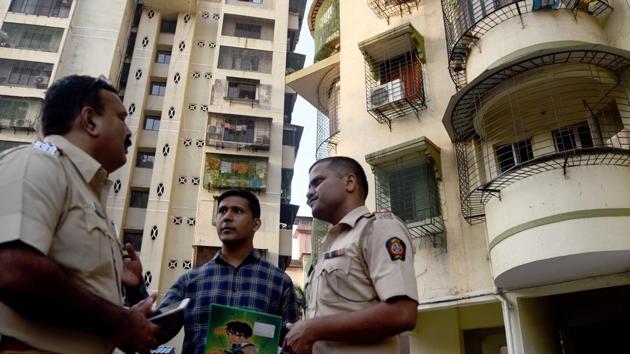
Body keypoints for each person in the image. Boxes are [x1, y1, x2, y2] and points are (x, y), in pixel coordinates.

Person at [0, 75, 159, 354]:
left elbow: (76, 295)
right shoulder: (36, 163)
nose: (130, 132)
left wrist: (127, 314)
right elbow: (12, 269)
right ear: (90, 120)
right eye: (122, 118)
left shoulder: (88, 194)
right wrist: (120, 322)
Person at [283, 156, 419, 354]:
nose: (308, 193)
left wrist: (312, 329)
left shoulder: (378, 228)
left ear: (349, 182)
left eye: (317, 182)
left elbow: (402, 312)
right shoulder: (330, 245)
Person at [158, 189, 299, 354]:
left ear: (256, 224)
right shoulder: (189, 281)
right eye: (222, 211)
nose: (227, 217)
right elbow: (155, 333)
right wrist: (135, 288)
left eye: (237, 211)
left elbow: (293, 345)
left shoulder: (279, 281)